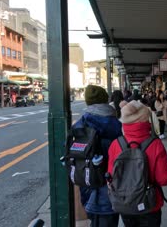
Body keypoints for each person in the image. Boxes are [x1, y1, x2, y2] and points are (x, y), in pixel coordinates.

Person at [107, 100, 167, 227]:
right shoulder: (155, 144)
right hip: (149, 204)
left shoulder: (116, 144)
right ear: (145, 119)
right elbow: (164, 179)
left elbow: (110, 176)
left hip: (125, 203)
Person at [72, 85, 122, 227]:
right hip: (115, 186)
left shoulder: (82, 124)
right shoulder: (118, 124)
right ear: (105, 99)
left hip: (89, 184)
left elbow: (71, 153)